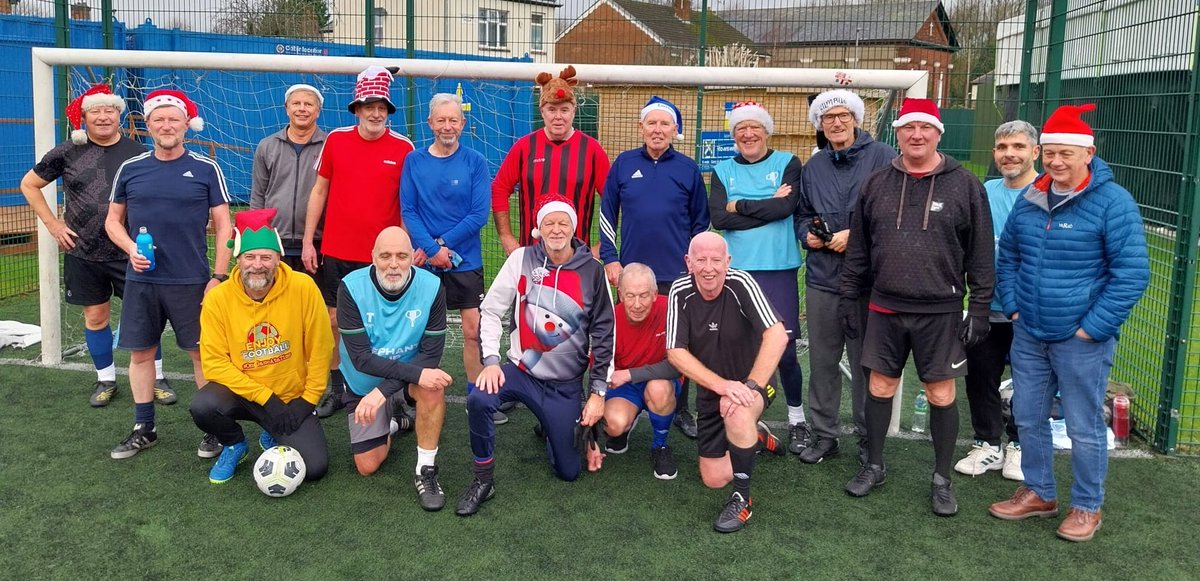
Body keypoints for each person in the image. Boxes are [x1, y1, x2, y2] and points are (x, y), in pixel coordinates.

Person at [989, 104, 1149, 542]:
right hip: (1029, 331)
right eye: (1050, 153)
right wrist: (1016, 308)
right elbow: (1010, 256)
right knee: (1028, 415)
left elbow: (1132, 274)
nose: (1056, 162)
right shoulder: (1032, 196)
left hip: (1081, 339)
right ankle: (1040, 492)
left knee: (1083, 426)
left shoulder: (1113, 202)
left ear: (1088, 153)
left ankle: (1087, 506)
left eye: (1066, 154)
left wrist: (1092, 328)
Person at [840, 98, 994, 517]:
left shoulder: (966, 185)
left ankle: (941, 479)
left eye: (925, 128)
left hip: (941, 311)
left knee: (940, 393)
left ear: (939, 133)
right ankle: (874, 466)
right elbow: (859, 249)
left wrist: (980, 308)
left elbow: (981, 254)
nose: (917, 135)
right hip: (885, 307)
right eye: (909, 128)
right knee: (879, 387)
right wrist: (849, 298)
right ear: (899, 134)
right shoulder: (876, 183)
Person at [458, 195, 615, 517]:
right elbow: (491, 310)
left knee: (569, 472)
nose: (556, 229)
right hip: (521, 372)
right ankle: (483, 480)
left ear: (573, 227)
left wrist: (598, 393)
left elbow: (604, 334)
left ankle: (552, 427)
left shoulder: (593, 271)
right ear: (538, 228)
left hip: (565, 385)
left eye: (563, 223)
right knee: (479, 398)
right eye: (549, 223)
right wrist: (491, 361)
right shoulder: (522, 259)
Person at [20, 83, 173, 407]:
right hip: (84, 251)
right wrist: (53, 224)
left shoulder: (138, 152)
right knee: (95, 316)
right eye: (95, 111)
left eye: (109, 110)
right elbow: (29, 184)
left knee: (146, 315)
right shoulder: (66, 151)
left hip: (131, 250)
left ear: (119, 115)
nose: (103, 117)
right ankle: (105, 379)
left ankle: (157, 376)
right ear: (84, 116)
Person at [104, 89, 233, 459]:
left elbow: (225, 225)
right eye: (158, 119)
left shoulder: (206, 169)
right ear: (148, 125)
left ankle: (214, 428)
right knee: (141, 354)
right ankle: (144, 428)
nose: (166, 125)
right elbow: (112, 221)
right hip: (142, 281)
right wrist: (131, 249)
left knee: (202, 356)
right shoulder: (131, 169)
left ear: (186, 125)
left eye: (173, 119)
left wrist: (218, 277)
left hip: (192, 281)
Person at [301, 66, 415, 420]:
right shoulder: (336, 140)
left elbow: (406, 204)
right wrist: (308, 241)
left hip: (382, 258)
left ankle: (392, 393)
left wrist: (403, 252)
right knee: (334, 322)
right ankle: (338, 389)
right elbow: (319, 191)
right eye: (369, 106)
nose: (375, 113)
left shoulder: (404, 147)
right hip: (337, 251)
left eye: (381, 107)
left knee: (385, 326)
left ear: (388, 111)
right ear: (357, 109)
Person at [191, 209, 333, 484]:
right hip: (242, 393)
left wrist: (308, 400)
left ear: (278, 258)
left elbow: (321, 346)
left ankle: (272, 432)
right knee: (203, 406)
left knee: (314, 468)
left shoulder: (303, 287)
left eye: (266, 257)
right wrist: (266, 399)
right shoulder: (218, 299)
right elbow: (214, 364)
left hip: (290, 396)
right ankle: (234, 444)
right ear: (238, 259)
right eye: (250, 257)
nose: (257, 265)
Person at [599, 95, 709, 440]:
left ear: (675, 129)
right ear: (641, 127)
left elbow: (701, 224)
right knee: (628, 339)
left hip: (677, 277)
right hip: (632, 277)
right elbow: (607, 214)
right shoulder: (624, 163)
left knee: (680, 343)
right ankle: (624, 400)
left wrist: (695, 266)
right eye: (652, 123)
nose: (657, 129)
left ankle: (681, 408)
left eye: (664, 124)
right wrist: (611, 258)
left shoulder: (688, 168)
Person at [797, 89, 897, 466]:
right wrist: (806, 234)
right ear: (820, 124)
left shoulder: (884, 157)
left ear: (856, 119)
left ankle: (869, 437)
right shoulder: (814, 166)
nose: (836, 123)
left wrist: (855, 235)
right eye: (828, 117)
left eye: (843, 115)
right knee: (823, 361)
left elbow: (894, 213)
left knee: (865, 363)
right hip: (823, 279)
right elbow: (803, 213)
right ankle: (825, 435)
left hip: (869, 281)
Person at [666, 232, 789, 533]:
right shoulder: (680, 291)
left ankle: (742, 499)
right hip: (714, 390)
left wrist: (750, 387)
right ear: (689, 262)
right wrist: (722, 386)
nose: (709, 268)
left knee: (737, 412)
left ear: (728, 262)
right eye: (701, 260)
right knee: (713, 478)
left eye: (716, 260)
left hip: (754, 383)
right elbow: (675, 352)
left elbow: (777, 336)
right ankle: (755, 436)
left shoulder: (741, 283)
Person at [708, 101, 809, 454]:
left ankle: (797, 420)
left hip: (778, 269)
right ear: (734, 135)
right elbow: (719, 219)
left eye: (754, 127)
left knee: (785, 351)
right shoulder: (722, 170)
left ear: (766, 131)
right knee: (736, 348)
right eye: (741, 129)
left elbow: (786, 208)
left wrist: (739, 205)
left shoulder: (788, 163)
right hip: (737, 271)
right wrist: (767, 204)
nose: (748, 134)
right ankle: (739, 415)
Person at [336, 227, 453, 510]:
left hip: (404, 380)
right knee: (367, 466)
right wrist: (379, 391)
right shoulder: (350, 288)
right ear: (372, 257)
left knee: (432, 387)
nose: (393, 264)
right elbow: (362, 359)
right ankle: (397, 422)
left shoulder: (432, 287)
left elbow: (430, 356)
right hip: (364, 382)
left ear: (412, 257)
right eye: (385, 256)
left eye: (401, 256)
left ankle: (425, 471)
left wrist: (382, 392)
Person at [400, 93, 496, 424]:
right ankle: (419, 392)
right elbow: (409, 210)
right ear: (430, 123)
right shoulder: (414, 161)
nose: (447, 126)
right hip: (425, 262)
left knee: (472, 331)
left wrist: (441, 245)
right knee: (421, 332)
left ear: (463, 123)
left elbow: (479, 214)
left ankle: (477, 397)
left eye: (453, 120)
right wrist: (431, 251)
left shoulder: (475, 162)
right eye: (441, 120)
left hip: (465, 261)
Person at [954, 121, 1040, 481]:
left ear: (1035, 151)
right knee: (981, 378)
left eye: (1018, 147)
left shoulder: (1047, 193)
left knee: (1029, 381)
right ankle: (987, 443)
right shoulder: (985, 191)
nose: (1010, 154)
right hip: (986, 307)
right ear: (994, 153)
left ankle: (1019, 445)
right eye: (1003, 147)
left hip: (1031, 311)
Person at [491, 65, 609, 257]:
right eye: (552, 109)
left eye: (564, 110)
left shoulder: (592, 149)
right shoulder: (524, 147)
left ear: (574, 111)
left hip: (577, 257)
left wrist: (603, 245)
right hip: (532, 254)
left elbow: (612, 198)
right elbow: (499, 188)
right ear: (542, 111)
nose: (558, 117)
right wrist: (506, 237)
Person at [601, 263, 682, 480]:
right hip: (625, 386)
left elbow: (678, 366)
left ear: (655, 294)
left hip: (660, 381)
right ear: (620, 295)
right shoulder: (609, 320)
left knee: (658, 388)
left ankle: (660, 446)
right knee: (613, 425)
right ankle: (627, 423)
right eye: (630, 296)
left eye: (644, 295)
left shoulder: (672, 310)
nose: (637, 304)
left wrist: (630, 374)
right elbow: (600, 368)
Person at [250, 83, 328, 274]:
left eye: (308, 104)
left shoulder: (330, 145)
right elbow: (258, 195)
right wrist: (257, 236)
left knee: (312, 293)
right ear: (287, 108)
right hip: (275, 240)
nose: (302, 109)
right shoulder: (267, 146)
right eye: (296, 103)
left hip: (317, 243)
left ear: (318, 111)